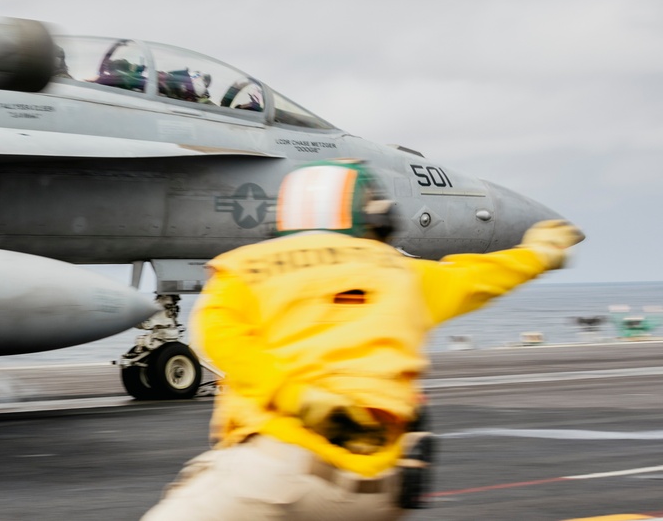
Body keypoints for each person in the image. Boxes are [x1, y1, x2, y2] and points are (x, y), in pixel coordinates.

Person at [142, 159, 584, 520]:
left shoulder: (242, 272)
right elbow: (480, 276)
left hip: (279, 469)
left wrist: (301, 397)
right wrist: (541, 252)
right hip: (380, 486)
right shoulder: (401, 271)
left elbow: (219, 343)